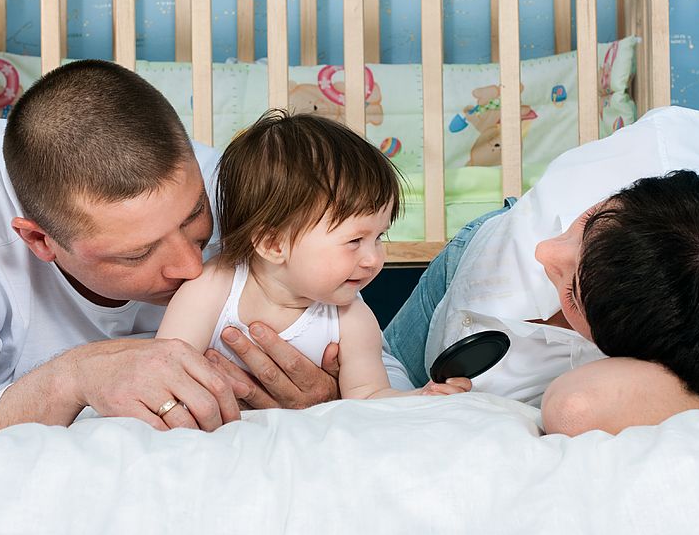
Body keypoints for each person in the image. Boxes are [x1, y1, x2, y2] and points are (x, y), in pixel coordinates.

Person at [0, 59, 411, 433]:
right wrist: (74, 376)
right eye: (137, 254)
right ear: (40, 240)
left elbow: (372, 358)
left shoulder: (240, 188)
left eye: (195, 221)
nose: (192, 267)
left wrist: (331, 394)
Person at [383, 105, 699, 435]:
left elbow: (575, 407)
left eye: (572, 291)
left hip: (482, 347)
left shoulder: (684, 342)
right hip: (474, 254)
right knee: (379, 367)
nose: (546, 251)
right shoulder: (678, 140)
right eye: (589, 218)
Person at [157, 110, 470, 400]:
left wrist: (420, 398)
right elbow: (167, 368)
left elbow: (369, 397)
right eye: (355, 240)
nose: (373, 259)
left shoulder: (351, 319)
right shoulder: (213, 287)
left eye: (379, 237)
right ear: (273, 244)